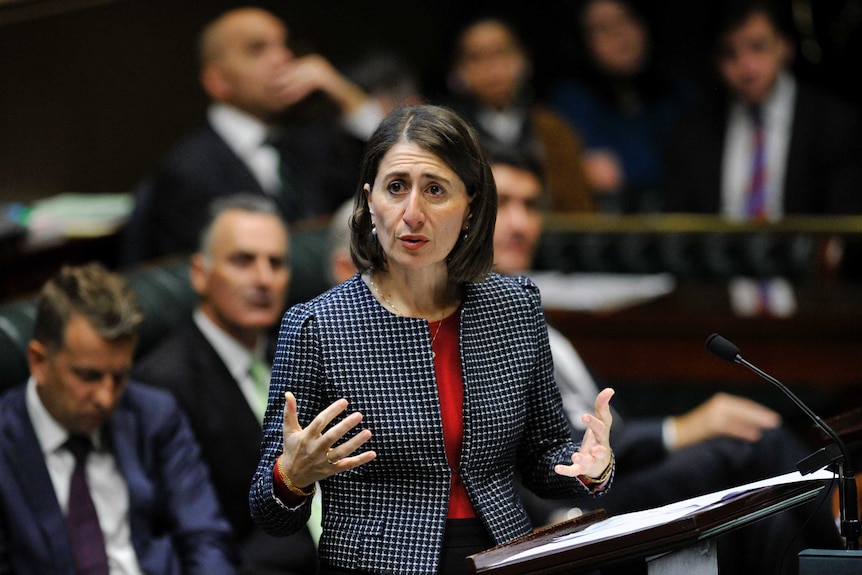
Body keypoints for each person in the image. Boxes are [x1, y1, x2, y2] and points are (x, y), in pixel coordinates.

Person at [249, 104, 615, 575]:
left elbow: (542, 456)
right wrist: (291, 477)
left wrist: (587, 466)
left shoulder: (515, 306)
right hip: (376, 566)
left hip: (503, 556)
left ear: (471, 207)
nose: (412, 213)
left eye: (436, 190)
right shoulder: (317, 326)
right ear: (369, 202)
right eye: (395, 188)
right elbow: (268, 510)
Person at [487, 144, 843, 575]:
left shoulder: (537, 316)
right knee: (757, 444)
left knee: (770, 519)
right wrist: (681, 429)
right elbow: (521, 452)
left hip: (608, 473)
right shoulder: (472, 323)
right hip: (568, 510)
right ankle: (844, 557)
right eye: (503, 203)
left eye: (530, 205)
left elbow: (601, 420)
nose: (520, 223)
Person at [0, 262, 238, 574]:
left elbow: (206, 538)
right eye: (88, 376)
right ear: (39, 361)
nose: (106, 397)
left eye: (119, 377)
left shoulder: (154, 415)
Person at [132, 194, 317, 574]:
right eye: (243, 261)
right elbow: (196, 535)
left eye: (276, 263)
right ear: (200, 273)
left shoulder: (297, 350)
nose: (264, 279)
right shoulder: (163, 385)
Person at [137, 7, 380, 262]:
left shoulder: (312, 142)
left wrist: (343, 92)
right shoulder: (187, 172)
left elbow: (389, 172)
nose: (283, 58)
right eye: (257, 49)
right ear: (217, 81)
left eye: (284, 45)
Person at [662, 0, 862, 218]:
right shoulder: (694, 132)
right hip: (721, 250)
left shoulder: (833, 122)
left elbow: (844, 219)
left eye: (758, 47)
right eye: (730, 53)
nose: (746, 68)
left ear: (785, 46)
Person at [548, 0, 702, 213]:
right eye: (602, 28)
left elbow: (695, 170)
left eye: (626, 19)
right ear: (584, 41)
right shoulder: (570, 102)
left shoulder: (678, 95)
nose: (619, 35)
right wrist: (578, 171)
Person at [444, 15, 595, 213]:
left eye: (502, 53)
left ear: (523, 60)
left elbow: (577, 212)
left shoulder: (553, 130)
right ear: (459, 71)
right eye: (477, 57)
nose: (492, 67)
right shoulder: (448, 134)